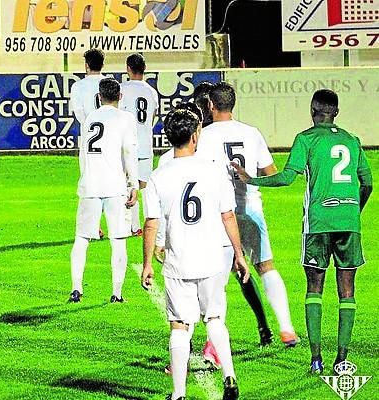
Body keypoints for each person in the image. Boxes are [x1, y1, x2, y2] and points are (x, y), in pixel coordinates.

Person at [232, 89, 373, 374]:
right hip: (349, 222)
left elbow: (286, 177)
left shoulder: (306, 138)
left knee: (315, 287)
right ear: (336, 112)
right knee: (347, 290)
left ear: (312, 111)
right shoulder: (352, 140)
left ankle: (316, 360)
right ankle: (342, 359)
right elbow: (367, 183)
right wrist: (353, 211)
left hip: (319, 222)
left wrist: (251, 179)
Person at [142, 103, 249, 400]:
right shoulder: (214, 172)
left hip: (179, 262)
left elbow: (151, 223)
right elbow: (228, 215)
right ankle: (229, 375)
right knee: (214, 319)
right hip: (212, 260)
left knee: (179, 325)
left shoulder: (158, 177)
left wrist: (147, 263)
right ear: (194, 136)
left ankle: (178, 394)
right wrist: (239, 254)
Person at [198, 81, 298, 350]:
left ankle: (212, 343)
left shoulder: (204, 136)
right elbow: (271, 171)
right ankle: (286, 328)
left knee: (219, 276)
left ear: (210, 105)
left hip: (221, 214)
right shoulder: (251, 133)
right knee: (265, 267)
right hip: (251, 208)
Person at [69, 78, 138, 304]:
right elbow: (129, 152)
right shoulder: (125, 118)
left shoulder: (90, 118)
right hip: (115, 186)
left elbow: (82, 155)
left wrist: (84, 181)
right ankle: (116, 293)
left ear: (99, 97)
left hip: (90, 184)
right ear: (120, 96)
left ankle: (76, 289)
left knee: (81, 239)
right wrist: (134, 184)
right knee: (118, 239)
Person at [70, 48, 108, 239]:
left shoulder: (78, 86)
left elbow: (79, 114)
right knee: (110, 181)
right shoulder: (111, 83)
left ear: (86, 65)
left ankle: (94, 225)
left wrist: (90, 126)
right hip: (109, 139)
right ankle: (119, 224)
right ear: (103, 64)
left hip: (89, 141)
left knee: (89, 181)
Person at [120, 53, 159, 237]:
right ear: (144, 69)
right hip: (145, 144)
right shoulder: (151, 91)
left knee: (128, 184)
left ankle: (132, 225)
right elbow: (153, 117)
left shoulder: (122, 89)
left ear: (128, 68)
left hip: (127, 144)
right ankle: (149, 223)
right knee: (144, 186)